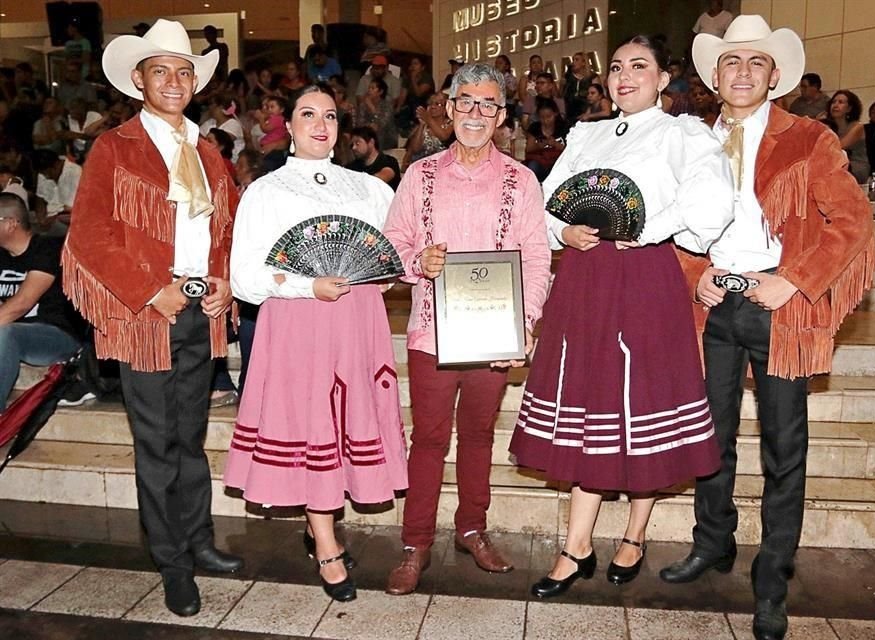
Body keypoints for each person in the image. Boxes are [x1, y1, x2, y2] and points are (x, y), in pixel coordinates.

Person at [659, 16, 875, 640]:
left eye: (756, 62)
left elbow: (853, 220)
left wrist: (795, 278)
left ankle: (773, 577)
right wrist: (692, 271)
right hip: (712, 305)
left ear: (774, 75)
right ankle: (713, 543)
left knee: (785, 449)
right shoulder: (691, 139)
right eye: (732, 62)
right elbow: (671, 224)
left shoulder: (810, 139)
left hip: (781, 305)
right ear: (715, 77)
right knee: (710, 435)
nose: (744, 72)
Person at [511, 34, 734, 600]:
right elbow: (545, 199)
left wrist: (650, 227)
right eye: (616, 67)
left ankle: (634, 534)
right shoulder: (585, 135)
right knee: (592, 401)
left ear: (664, 79)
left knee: (643, 403)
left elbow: (712, 203)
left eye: (640, 66)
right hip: (585, 279)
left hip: (645, 277)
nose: (625, 76)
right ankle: (577, 546)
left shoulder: (683, 134)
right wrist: (563, 231)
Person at [62, 19, 243, 618]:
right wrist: (148, 291)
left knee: (190, 440)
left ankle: (198, 542)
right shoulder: (115, 147)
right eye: (160, 70)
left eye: (183, 71)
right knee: (157, 446)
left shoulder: (209, 150)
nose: (173, 80)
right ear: (138, 80)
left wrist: (223, 282)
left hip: (200, 313)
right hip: (146, 318)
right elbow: (89, 236)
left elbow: (225, 232)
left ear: (196, 82)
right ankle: (172, 563)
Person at [224, 83, 408, 603]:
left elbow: (389, 255)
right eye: (308, 114)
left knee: (347, 423)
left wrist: (384, 275)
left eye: (329, 115)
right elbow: (244, 278)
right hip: (300, 321)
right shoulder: (267, 191)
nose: (321, 124)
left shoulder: (370, 189)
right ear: (290, 125)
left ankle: (320, 521)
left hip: (358, 322)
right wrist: (309, 285)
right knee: (313, 425)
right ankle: (325, 539)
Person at [382, 62, 551, 596]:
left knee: (478, 437)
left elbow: (537, 257)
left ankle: (472, 529)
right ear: (449, 109)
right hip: (434, 332)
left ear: (501, 116)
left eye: (488, 105)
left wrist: (524, 323)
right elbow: (394, 243)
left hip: (492, 334)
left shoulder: (521, 181)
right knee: (428, 440)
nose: (476, 114)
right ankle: (415, 544)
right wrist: (418, 262)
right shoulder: (420, 176)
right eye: (466, 103)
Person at [0, 193, 83, 408]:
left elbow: (23, 303)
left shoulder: (48, 248)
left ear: (10, 224)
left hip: (55, 334)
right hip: (13, 332)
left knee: (7, 332)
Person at [824, 90, 869, 183]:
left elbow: (838, 147)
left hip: (856, 165)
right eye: (833, 102)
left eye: (840, 102)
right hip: (835, 164)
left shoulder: (857, 126)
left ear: (849, 108)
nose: (835, 105)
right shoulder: (828, 126)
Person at [402, 92, 453, 170]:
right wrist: (422, 124)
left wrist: (428, 118)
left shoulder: (451, 123)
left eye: (437, 104)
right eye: (430, 103)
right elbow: (415, 148)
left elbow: (444, 136)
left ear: (446, 109)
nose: (433, 106)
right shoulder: (425, 124)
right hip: (420, 167)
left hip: (442, 168)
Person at [522, 99, 569, 182]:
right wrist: (540, 146)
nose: (546, 120)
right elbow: (528, 149)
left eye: (549, 116)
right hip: (540, 163)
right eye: (542, 117)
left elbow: (570, 149)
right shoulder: (535, 127)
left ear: (555, 114)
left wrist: (555, 144)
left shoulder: (563, 127)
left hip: (558, 163)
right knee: (533, 166)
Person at [348, 126, 401, 190]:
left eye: (357, 143)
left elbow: (379, 180)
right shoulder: (353, 166)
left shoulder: (389, 162)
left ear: (371, 142)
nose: (354, 148)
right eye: (352, 145)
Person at [355, 78, 399, 151]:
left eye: (372, 88)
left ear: (380, 92)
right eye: (369, 88)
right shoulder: (363, 104)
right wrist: (370, 126)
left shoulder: (387, 105)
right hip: (367, 134)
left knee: (378, 134)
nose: (369, 90)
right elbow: (359, 123)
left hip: (386, 137)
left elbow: (382, 124)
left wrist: (373, 110)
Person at [199, 94, 245, 163]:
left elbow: (222, 143)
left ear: (221, 107)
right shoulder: (210, 122)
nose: (210, 107)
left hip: (229, 162)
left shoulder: (233, 124)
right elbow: (199, 139)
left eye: (213, 105)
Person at [561, 52, 599, 122]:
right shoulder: (568, 77)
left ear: (584, 63)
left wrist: (589, 112)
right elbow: (561, 95)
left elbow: (598, 96)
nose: (573, 62)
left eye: (577, 60)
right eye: (573, 60)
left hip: (587, 112)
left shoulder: (592, 77)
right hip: (570, 113)